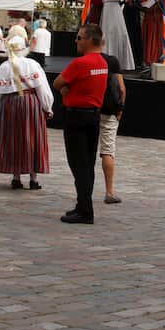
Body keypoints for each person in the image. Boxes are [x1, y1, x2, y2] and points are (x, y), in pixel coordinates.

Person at [52, 23, 108, 224]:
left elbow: (57, 82)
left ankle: (85, 210)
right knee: (88, 164)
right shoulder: (102, 62)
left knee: (78, 165)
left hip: (76, 117)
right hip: (93, 117)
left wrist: (66, 90)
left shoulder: (80, 63)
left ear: (88, 40)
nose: (76, 41)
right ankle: (83, 205)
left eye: (78, 38)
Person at [0, 35, 54, 191]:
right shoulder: (32, 64)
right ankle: (33, 179)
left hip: (9, 105)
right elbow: (42, 88)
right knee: (32, 139)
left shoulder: (4, 67)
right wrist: (47, 107)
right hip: (31, 103)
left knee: (14, 139)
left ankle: (16, 178)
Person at [99, 45, 126, 205]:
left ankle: (84, 189)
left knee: (87, 152)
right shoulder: (112, 61)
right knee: (107, 151)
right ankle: (109, 192)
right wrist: (120, 110)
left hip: (90, 109)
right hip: (109, 111)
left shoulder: (84, 61)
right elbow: (121, 89)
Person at [99, 0, 135, 71]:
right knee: (116, 34)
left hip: (113, 12)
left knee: (116, 34)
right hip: (112, 15)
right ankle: (115, 61)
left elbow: (116, 2)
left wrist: (125, 0)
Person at [139, 0, 165, 66]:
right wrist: (154, 4)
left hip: (159, 19)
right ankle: (149, 59)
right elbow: (143, 7)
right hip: (151, 19)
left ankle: (157, 57)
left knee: (158, 39)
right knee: (150, 39)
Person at [122, 0, 144, 68]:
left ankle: (138, 61)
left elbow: (138, 4)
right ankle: (131, 61)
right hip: (128, 17)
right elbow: (129, 5)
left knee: (137, 40)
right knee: (130, 38)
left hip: (136, 17)